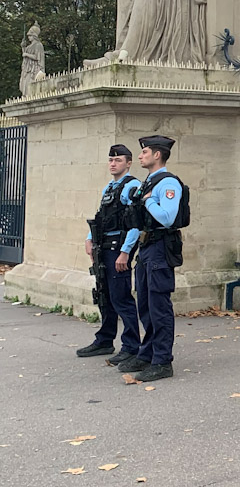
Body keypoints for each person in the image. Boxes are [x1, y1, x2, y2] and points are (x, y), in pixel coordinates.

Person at [114, 134, 187, 383]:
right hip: (147, 248)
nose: (141, 155)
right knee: (144, 304)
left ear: (157, 155)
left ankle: (162, 361)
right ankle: (147, 354)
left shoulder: (168, 183)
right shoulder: (148, 182)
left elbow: (167, 217)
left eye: (145, 152)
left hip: (160, 247)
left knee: (159, 307)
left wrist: (147, 201)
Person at [77, 145, 144, 363]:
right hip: (103, 246)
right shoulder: (110, 187)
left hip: (118, 247)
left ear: (129, 163)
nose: (113, 163)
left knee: (121, 297)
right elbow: (100, 216)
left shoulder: (132, 186)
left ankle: (132, 345)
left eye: (118, 160)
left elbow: (136, 224)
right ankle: (105, 340)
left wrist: (125, 252)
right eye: (110, 160)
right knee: (105, 296)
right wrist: (89, 238)